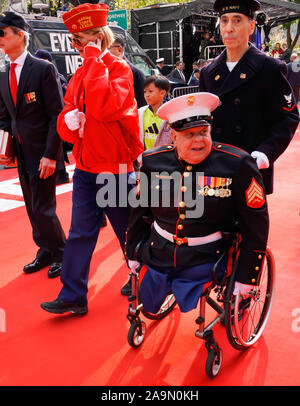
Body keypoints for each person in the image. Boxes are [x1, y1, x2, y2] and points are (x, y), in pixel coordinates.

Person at [40, 3, 143, 315]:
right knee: (80, 233)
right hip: (86, 167)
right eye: (75, 41)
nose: (77, 47)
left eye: (80, 40)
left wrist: (94, 60)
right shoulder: (81, 73)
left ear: (98, 38)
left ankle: (149, 278)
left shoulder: (119, 70)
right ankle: (73, 295)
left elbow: (103, 108)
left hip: (115, 168)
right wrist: (67, 123)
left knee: (127, 232)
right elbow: (66, 118)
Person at [125, 92, 269, 313]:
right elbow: (139, 210)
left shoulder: (237, 165)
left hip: (208, 258)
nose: (199, 140)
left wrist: (248, 275)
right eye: (189, 134)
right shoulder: (153, 161)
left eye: (203, 132)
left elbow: (256, 223)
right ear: (173, 137)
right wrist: (132, 253)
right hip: (158, 252)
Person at [199, 0, 299, 195]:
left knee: (248, 223)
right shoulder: (208, 72)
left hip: (251, 166)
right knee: (213, 222)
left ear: (251, 26)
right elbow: (203, 119)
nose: (229, 28)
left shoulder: (269, 68)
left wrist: (265, 153)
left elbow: (288, 117)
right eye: (224, 21)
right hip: (214, 165)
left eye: (237, 20)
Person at [0, 11, 66, 278]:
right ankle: (45, 248)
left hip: (44, 152)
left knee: (43, 206)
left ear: (20, 35)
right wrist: (4, 149)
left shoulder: (43, 69)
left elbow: (56, 115)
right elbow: (5, 117)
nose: (0, 39)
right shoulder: (3, 74)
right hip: (21, 153)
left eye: (3, 33)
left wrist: (51, 155)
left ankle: (62, 251)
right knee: (31, 205)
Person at [34, 48, 70, 185]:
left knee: (56, 149)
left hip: (55, 119)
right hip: (46, 120)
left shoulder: (57, 76)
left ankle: (62, 175)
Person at [108, 35, 146, 108]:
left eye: (106, 49)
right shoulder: (103, 71)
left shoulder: (136, 73)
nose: (102, 53)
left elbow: (142, 105)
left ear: (120, 50)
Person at [138, 75, 172, 152]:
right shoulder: (140, 113)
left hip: (164, 159)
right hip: (145, 159)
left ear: (162, 93)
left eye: (150, 91)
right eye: (145, 92)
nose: (147, 95)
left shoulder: (171, 115)